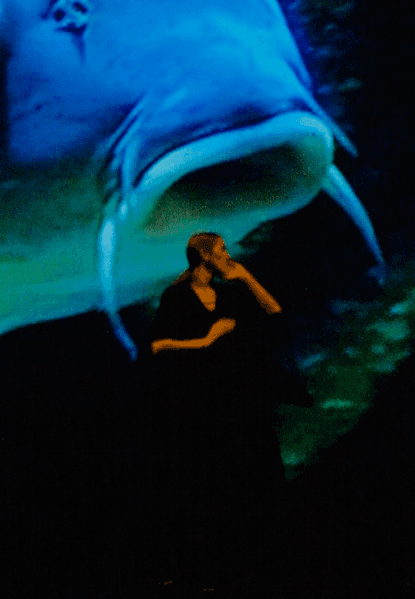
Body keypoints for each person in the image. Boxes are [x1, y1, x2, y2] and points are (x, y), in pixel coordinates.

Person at [145, 232, 311, 585]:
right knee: (211, 486)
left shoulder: (231, 292)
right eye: (221, 252)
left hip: (243, 399)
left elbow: (274, 312)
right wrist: (206, 341)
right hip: (204, 404)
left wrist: (248, 277)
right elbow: (157, 346)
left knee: (262, 475)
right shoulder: (176, 297)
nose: (228, 256)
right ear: (205, 258)